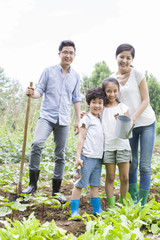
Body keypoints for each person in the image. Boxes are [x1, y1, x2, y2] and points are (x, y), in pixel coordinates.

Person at [22, 40, 81, 203]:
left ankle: (56, 191)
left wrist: (78, 120)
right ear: (59, 54)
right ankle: (32, 185)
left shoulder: (76, 76)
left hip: (63, 120)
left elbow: (76, 99)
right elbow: (38, 92)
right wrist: (31, 93)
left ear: (74, 56)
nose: (68, 55)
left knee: (60, 155)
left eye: (71, 53)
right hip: (46, 117)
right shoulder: (48, 71)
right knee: (36, 144)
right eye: (65, 52)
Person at [111, 43, 156, 206]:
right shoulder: (112, 78)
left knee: (144, 165)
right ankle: (133, 199)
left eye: (128, 58)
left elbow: (146, 100)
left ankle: (143, 204)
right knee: (131, 163)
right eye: (121, 57)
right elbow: (112, 102)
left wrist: (134, 116)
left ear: (132, 60)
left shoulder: (137, 74)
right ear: (116, 57)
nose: (124, 60)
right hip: (127, 126)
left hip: (146, 123)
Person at [70, 87, 104, 217]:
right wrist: (78, 157)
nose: (97, 105)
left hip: (97, 159)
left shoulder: (100, 119)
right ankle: (74, 211)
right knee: (79, 184)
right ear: (88, 103)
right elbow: (81, 138)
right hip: (86, 158)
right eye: (94, 102)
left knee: (95, 185)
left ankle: (97, 209)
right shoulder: (86, 119)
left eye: (100, 102)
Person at [101, 77, 131, 208]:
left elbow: (128, 128)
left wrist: (122, 119)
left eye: (114, 91)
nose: (112, 94)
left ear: (118, 91)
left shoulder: (123, 107)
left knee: (124, 178)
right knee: (110, 177)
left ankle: (124, 205)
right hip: (108, 146)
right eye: (108, 91)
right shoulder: (101, 108)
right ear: (104, 92)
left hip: (123, 146)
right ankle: (112, 206)